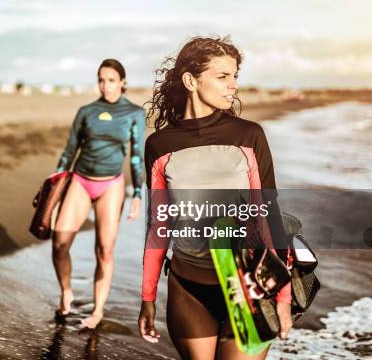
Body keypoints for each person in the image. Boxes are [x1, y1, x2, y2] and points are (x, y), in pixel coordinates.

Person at [137, 37, 292, 359]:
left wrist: (283, 297)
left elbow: (269, 216)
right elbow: (159, 225)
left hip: (249, 287)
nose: (233, 85)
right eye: (223, 76)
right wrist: (148, 296)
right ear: (191, 81)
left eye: (235, 76)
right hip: (188, 289)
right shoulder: (160, 145)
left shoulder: (248, 135)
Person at [52, 58, 145, 329]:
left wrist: (137, 193)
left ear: (123, 82)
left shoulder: (134, 113)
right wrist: (55, 186)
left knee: (105, 250)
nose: (106, 85)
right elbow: (70, 150)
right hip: (81, 180)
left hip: (112, 185)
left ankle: (97, 310)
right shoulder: (87, 111)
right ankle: (66, 291)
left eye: (112, 80)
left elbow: (136, 157)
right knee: (60, 243)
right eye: (101, 80)